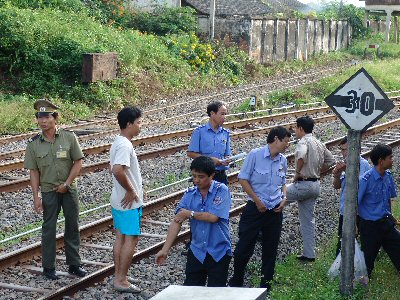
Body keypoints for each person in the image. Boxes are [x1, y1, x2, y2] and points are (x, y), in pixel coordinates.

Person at [24, 99, 86, 280]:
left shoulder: (69, 137)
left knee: (72, 226)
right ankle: (48, 268)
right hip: (49, 191)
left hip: (69, 190)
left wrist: (66, 184)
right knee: (49, 229)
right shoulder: (34, 144)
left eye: (46, 117)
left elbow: (78, 162)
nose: (42, 121)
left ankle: (74, 264)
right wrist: (36, 197)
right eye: (39, 117)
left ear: (55, 118)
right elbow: (34, 172)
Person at [228, 126, 291, 290]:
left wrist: (284, 198)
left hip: (275, 210)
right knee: (244, 247)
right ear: (276, 139)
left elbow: (283, 182)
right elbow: (243, 179)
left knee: (271, 249)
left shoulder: (282, 160)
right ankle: (237, 280)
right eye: (286, 141)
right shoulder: (255, 155)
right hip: (255, 210)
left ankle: (266, 285)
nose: (288, 144)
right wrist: (257, 201)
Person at [155, 156, 232, 287]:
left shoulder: (222, 190)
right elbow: (177, 221)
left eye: (201, 177)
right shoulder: (190, 194)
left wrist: (189, 213)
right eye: (194, 176)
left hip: (218, 251)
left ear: (212, 175)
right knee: (191, 290)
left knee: (216, 292)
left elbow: (213, 217)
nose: (196, 180)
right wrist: (165, 249)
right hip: (197, 251)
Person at [286, 116, 335, 262]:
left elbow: (300, 156)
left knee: (276, 199)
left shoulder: (303, 141)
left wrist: (297, 173)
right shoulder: (319, 143)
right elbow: (331, 161)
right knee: (308, 221)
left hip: (303, 184)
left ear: (301, 128)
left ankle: (262, 230)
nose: (295, 131)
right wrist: (318, 171)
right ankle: (309, 254)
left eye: (296, 128)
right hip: (315, 185)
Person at [109, 106, 144, 293]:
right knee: (130, 238)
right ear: (129, 124)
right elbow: (117, 170)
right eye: (138, 123)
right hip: (128, 202)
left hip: (118, 199)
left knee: (120, 236)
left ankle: (118, 276)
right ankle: (121, 280)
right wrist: (131, 191)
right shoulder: (125, 145)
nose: (140, 126)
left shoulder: (118, 142)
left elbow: (113, 169)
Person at [358, 143, 399, 277]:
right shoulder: (365, 180)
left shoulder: (388, 176)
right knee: (367, 260)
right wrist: (354, 225)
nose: (392, 159)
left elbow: (388, 198)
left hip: (386, 223)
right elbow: (353, 204)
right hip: (370, 226)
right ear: (381, 161)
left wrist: (391, 215)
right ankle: (361, 284)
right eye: (390, 157)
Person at [332, 136, 370, 257]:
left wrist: (347, 169)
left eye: (346, 150)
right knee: (342, 243)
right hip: (344, 210)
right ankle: (340, 268)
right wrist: (336, 176)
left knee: (359, 244)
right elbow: (337, 186)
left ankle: (359, 270)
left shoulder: (363, 165)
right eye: (342, 150)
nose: (344, 153)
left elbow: (360, 189)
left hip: (358, 212)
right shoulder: (344, 164)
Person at [187, 101, 231, 184]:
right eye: (222, 114)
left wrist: (227, 159)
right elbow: (191, 153)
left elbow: (227, 154)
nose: (224, 117)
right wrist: (209, 160)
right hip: (203, 176)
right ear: (212, 113)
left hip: (221, 176)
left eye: (225, 114)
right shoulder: (199, 132)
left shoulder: (225, 133)